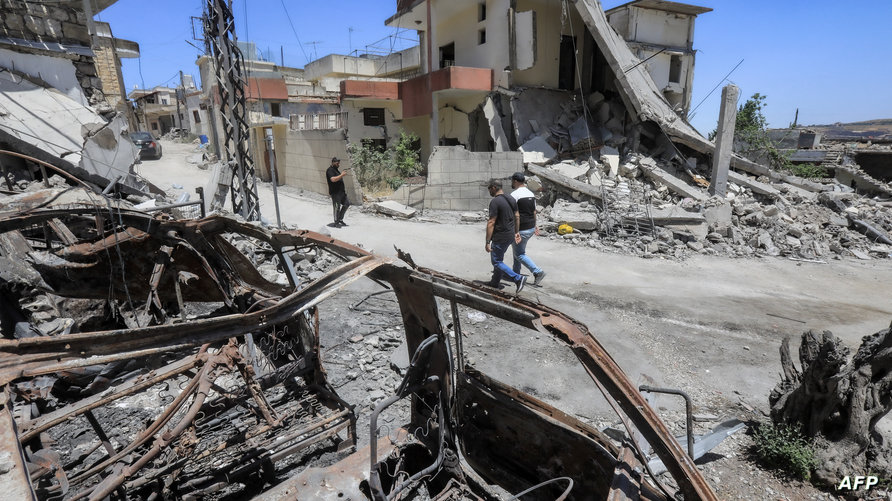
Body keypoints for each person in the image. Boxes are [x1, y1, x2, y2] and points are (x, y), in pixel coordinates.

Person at [485, 179, 527, 293]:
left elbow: (491, 222)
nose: (489, 191)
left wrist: (487, 242)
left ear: (494, 187)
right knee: (499, 259)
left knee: (496, 261)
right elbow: (517, 216)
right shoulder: (511, 198)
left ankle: (518, 278)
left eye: (489, 189)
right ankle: (494, 282)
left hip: (500, 236)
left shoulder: (495, 202)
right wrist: (516, 232)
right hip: (510, 235)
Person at [510, 172, 546, 286]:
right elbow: (534, 211)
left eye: (512, 181)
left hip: (521, 229)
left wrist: (514, 231)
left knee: (519, 254)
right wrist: (535, 225)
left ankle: (538, 272)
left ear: (515, 181)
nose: (511, 183)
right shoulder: (530, 194)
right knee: (517, 250)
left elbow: (513, 214)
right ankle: (515, 273)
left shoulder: (514, 195)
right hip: (530, 228)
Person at [326, 157, 351, 227]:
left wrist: (341, 174)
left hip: (342, 193)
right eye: (337, 163)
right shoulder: (330, 170)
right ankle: (336, 222)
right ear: (333, 162)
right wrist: (342, 175)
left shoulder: (336, 170)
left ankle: (340, 219)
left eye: (339, 163)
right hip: (335, 193)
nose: (338, 164)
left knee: (347, 204)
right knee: (337, 207)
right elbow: (333, 179)